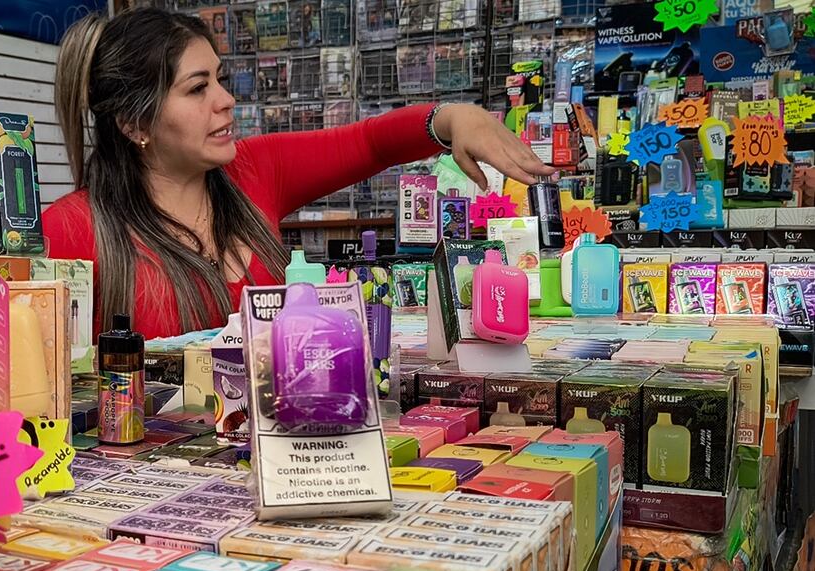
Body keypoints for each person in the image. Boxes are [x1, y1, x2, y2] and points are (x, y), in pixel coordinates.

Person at [44, 8, 552, 340]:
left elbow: (368, 143)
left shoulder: (254, 170)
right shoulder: (70, 231)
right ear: (134, 123)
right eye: (198, 88)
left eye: (220, 79)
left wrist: (452, 119)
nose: (226, 99)